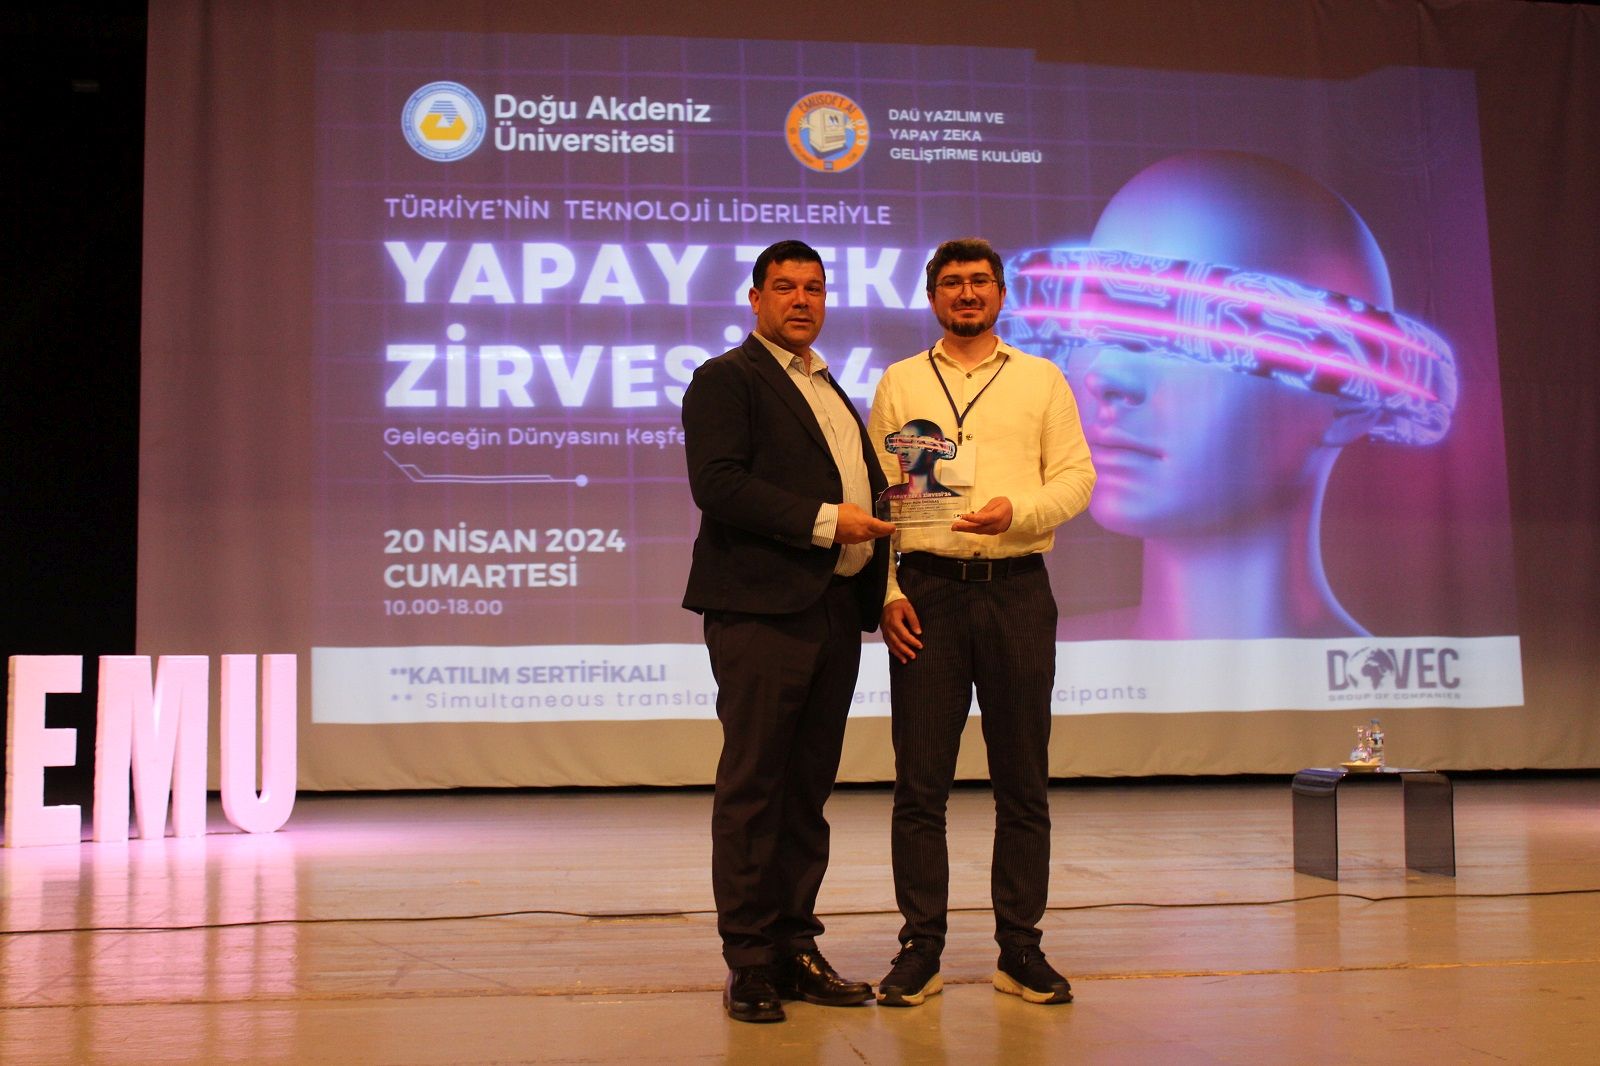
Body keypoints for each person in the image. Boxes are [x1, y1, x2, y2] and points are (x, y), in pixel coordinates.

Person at [1001, 150, 1458, 639]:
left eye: (1184, 336)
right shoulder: (1032, 666)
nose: (1105, 378)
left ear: (1349, 403)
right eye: (1094, 325)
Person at [866, 237, 1096, 1007]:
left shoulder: (1040, 378)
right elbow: (879, 496)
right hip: (926, 592)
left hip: (1016, 590)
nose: (967, 293)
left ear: (1000, 294)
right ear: (933, 296)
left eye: (980, 282)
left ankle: (1020, 949)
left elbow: (1077, 478)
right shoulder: (901, 380)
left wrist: (1016, 511)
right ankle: (920, 950)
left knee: (1023, 782)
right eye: (952, 283)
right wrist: (886, 592)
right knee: (919, 786)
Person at [681, 239, 895, 1023]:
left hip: (833, 610)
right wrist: (826, 521)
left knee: (806, 794)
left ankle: (797, 947)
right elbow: (718, 484)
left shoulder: (829, 387)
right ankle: (749, 962)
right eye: (784, 287)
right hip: (762, 613)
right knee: (755, 790)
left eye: (814, 288)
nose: (801, 300)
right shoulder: (726, 378)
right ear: (756, 298)